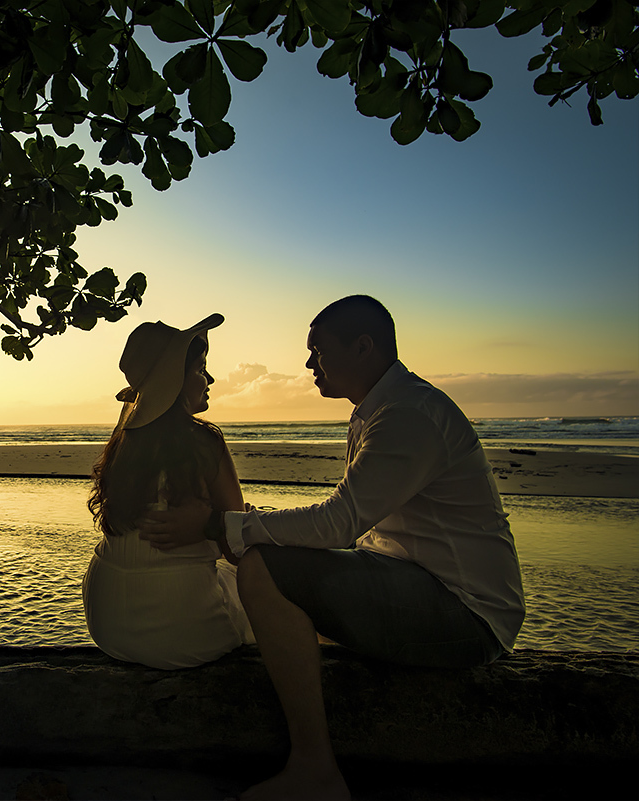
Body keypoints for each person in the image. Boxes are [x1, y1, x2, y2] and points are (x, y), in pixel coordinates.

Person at [141, 295, 525, 800]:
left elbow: (339, 523)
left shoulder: (409, 414)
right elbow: (350, 526)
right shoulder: (381, 410)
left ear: (363, 347)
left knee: (263, 568)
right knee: (276, 570)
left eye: (318, 351)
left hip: (466, 615)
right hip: (420, 586)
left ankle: (314, 771)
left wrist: (219, 523)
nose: (307, 364)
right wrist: (249, 523)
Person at [82, 313, 255, 670]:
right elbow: (237, 548)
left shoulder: (123, 442)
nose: (209, 379)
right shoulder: (203, 441)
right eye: (201, 369)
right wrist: (223, 523)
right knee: (257, 568)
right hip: (181, 629)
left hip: (107, 623)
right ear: (177, 378)